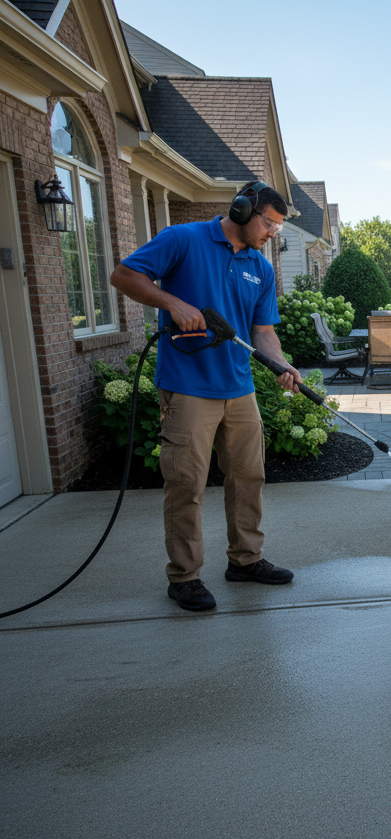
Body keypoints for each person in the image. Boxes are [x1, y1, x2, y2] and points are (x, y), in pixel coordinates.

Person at [109, 182, 301, 612]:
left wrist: (282, 365)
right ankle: (185, 577)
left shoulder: (261, 268)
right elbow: (123, 274)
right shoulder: (183, 239)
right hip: (188, 386)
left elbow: (263, 332)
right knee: (186, 484)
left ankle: (246, 560)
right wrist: (172, 303)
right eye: (268, 223)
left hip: (240, 388)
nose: (273, 233)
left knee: (249, 477)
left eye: (277, 226)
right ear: (241, 209)